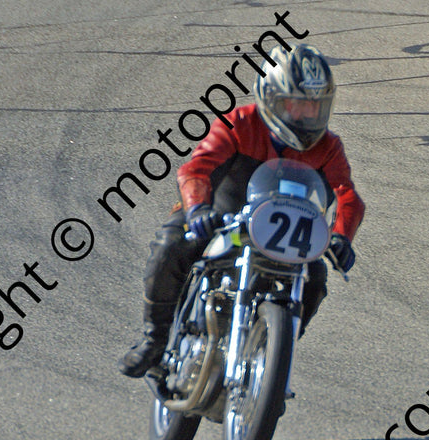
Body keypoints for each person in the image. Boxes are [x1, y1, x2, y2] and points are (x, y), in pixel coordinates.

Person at [119, 43, 365, 378]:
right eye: (296, 105)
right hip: (220, 216)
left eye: (315, 108)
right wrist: (197, 209)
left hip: (286, 230)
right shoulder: (239, 122)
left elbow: (346, 194)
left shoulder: (329, 146)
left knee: (316, 276)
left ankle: (274, 357)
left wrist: (341, 238)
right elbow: (195, 169)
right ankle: (155, 339)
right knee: (170, 244)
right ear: (270, 97)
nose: (306, 116)